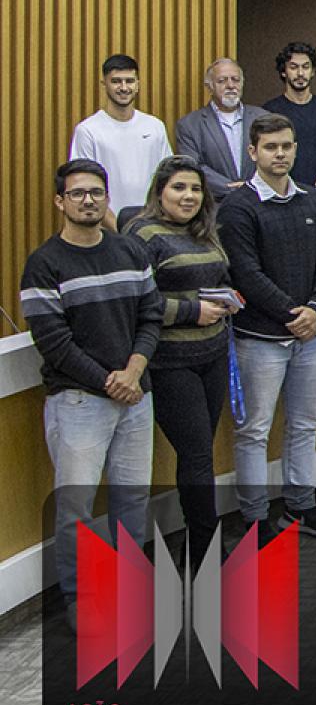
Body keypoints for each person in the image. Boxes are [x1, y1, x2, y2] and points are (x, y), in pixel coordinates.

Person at [24, 159, 163, 597]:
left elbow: (152, 316)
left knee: (132, 499)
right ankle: (79, 599)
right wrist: (111, 382)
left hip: (136, 395)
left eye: (96, 193)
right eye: (78, 193)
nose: (88, 200)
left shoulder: (131, 251)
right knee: (76, 510)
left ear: (107, 198)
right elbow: (55, 343)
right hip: (79, 402)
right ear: (59, 201)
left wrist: (134, 371)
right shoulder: (44, 264)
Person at [218, 114, 316, 537]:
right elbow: (246, 273)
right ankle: (254, 517)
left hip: (312, 337)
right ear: (253, 152)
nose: (280, 154)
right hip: (260, 341)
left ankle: (300, 506)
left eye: (287, 146)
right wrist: (294, 314)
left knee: (305, 425)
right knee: (254, 431)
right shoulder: (237, 207)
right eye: (271, 147)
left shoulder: (312, 200)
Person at [123, 158, 236, 551]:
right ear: (159, 192)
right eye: (179, 188)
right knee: (196, 454)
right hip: (171, 361)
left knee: (201, 453)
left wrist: (227, 298)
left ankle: (202, 542)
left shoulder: (204, 230)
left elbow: (217, 277)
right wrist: (192, 311)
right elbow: (138, 301)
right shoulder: (141, 233)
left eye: (196, 189)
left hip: (214, 353)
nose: (189, 196)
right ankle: (207, 549)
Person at [69, 54, 173, 227]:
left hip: (152, 227)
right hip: (107, 230)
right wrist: (120, 231)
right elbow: (85, 185)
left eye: (129, 81)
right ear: (104, 84)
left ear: (137, 84)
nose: (124, 87)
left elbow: (167, 179)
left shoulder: (155, 126)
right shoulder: (88, 130)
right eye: (116, 81)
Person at [175, 58, 267, 194]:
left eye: (235, 80)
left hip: (258, 198)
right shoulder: (189, 125)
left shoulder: (263, 117)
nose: (230, 85)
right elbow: (193, 166)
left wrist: (252, 185)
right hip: (215, 201)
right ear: (210, 87)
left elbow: (272, 157)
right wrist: (231, 187)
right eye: (222, 81)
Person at [263, 41, 316, 191]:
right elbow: (269, 154)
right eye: (294, 67)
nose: (300, 73)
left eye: (306, 67)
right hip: (283, 191)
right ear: (283, 72)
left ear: (313, 71)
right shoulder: (270, 110)